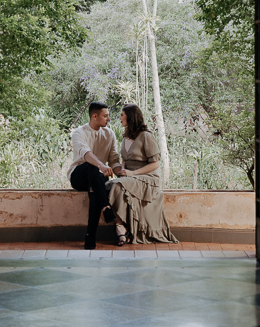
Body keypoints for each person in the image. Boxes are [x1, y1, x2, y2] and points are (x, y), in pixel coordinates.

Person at [107, 104, 178, 246]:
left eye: (122, 114)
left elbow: (156, 164)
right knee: (109, 185)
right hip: (130, 176)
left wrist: (133, 173)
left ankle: (120, 227)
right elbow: (124, 160)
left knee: (115, 185)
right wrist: (122, 171)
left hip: (148, 178)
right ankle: (124, 228)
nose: (119, 118)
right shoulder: (125, 137)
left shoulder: (146, 136)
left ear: (130, 116)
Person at [68, 101, 122, 249]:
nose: (109, 119)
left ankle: (90, 237)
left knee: (95, 190)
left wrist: (122, 174)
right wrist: (102, 166)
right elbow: (86, 154)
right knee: (92, 168)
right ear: (94, 116)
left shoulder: (109, 134)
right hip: (79, 175)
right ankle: (106, 206)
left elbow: (114, 160)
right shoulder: (79, 133)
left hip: (97, 177)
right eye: (106, 116)